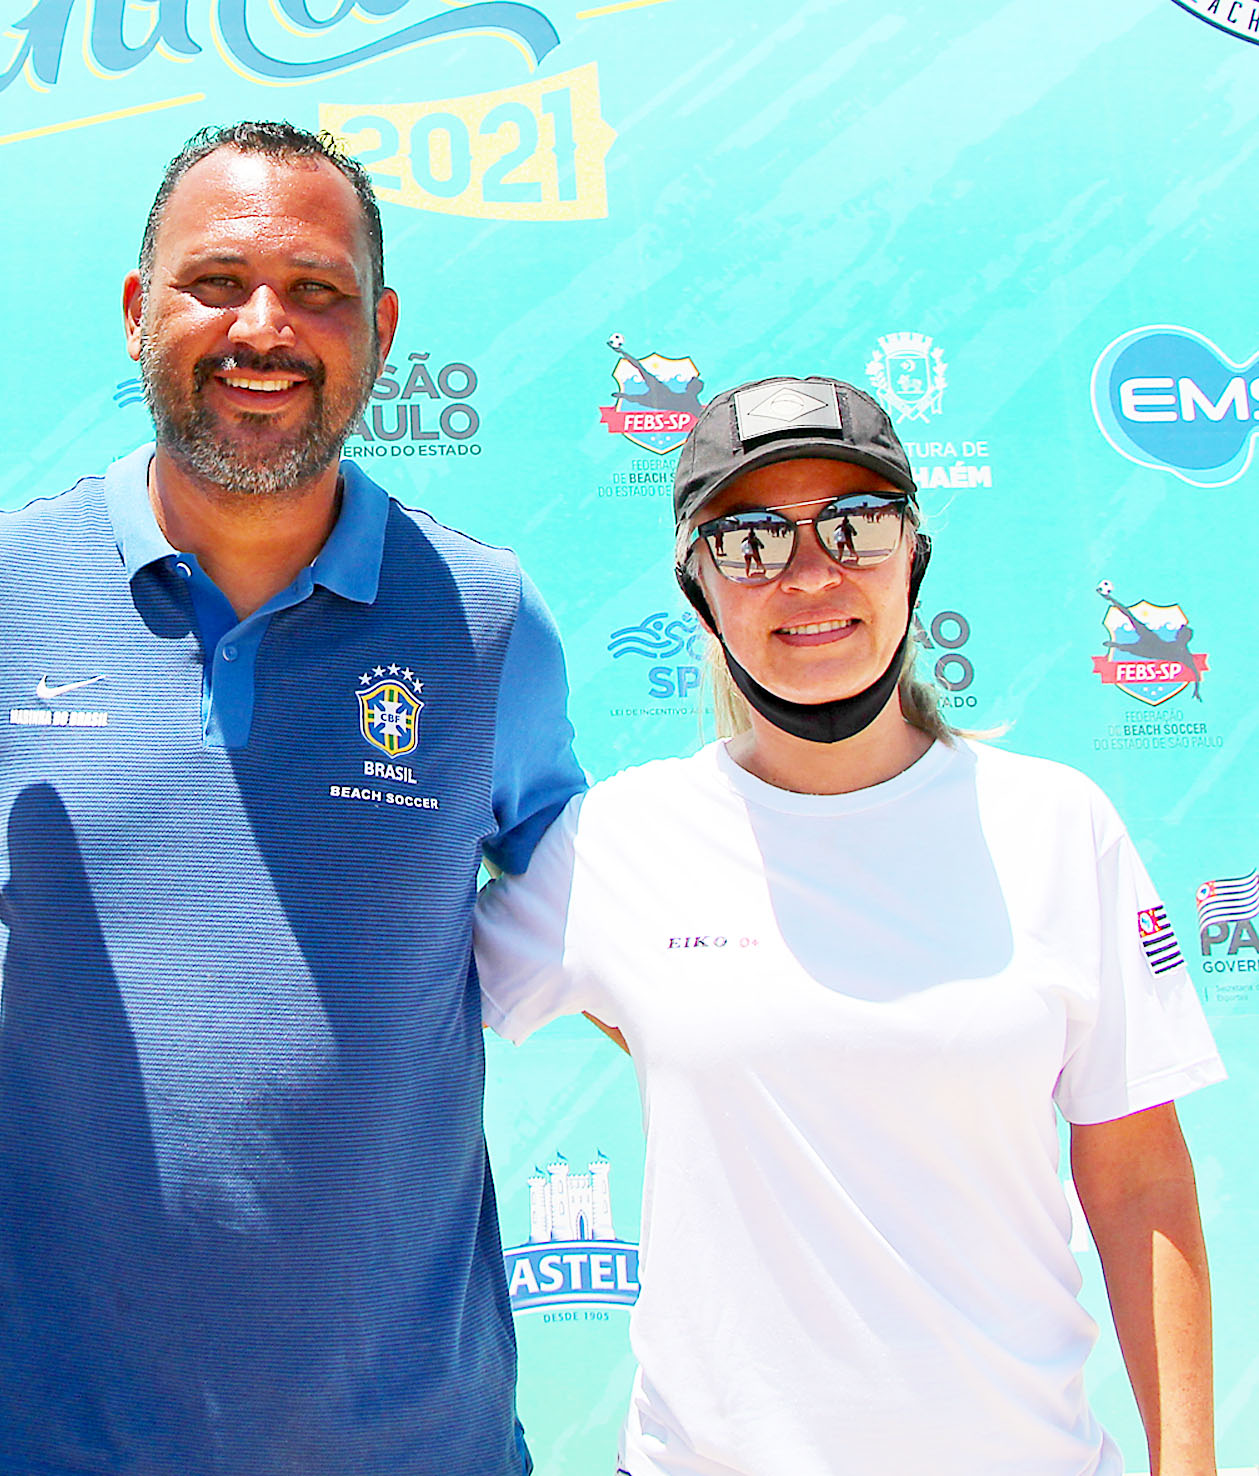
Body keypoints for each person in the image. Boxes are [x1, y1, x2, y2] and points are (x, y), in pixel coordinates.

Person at [0, 121, 585, 1476]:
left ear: (381, 328)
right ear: (136, 309)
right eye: (215, 282)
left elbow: (636, 948)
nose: (263, 327)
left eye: (316, 290)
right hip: (36, 1443)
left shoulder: (487, 622)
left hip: (409, 1449)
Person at [474, 376, 1223, 1476]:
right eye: (750, 541)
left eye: (855, 525)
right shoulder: (621, 842)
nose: (810, 573)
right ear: (698, 588)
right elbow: (393, 991)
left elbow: (1140, 1178)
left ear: (912, 556)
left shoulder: (1058, 825)